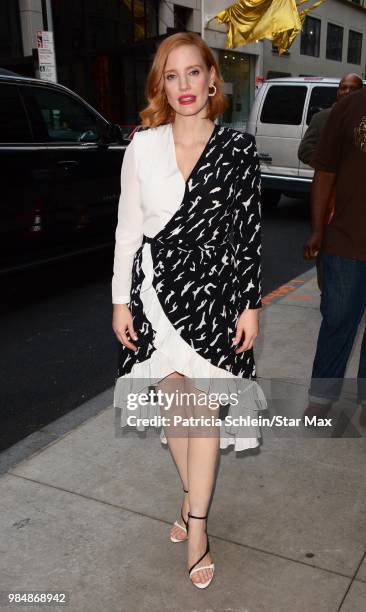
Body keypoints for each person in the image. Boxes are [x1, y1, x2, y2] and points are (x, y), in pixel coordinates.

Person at [111, 32, 267, 589]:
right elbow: (128, 231)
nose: (183, 86)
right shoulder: (142, 146)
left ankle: (195, 524)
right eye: (171, 76)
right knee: (176, 407)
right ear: (161, 84)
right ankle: (191, 502)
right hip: (156, 292)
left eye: (193, 73)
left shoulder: (238, 151)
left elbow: (247, 237)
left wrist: (250, 305)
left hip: (216, 296)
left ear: (212, 79)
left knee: (201, 414)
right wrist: (119, 300)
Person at [302, 86, 366, 427]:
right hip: (345, 241)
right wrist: (317, 229)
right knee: (338, 322)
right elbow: (324, 173)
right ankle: (321, 398)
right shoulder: (348, 109)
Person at [299, 73, 363, 290]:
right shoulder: (323, 117)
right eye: (342, 88)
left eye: (352, 88)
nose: (346, 92)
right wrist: (330, 161)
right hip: (330, 198)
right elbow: (305, 150)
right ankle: (327, 289)